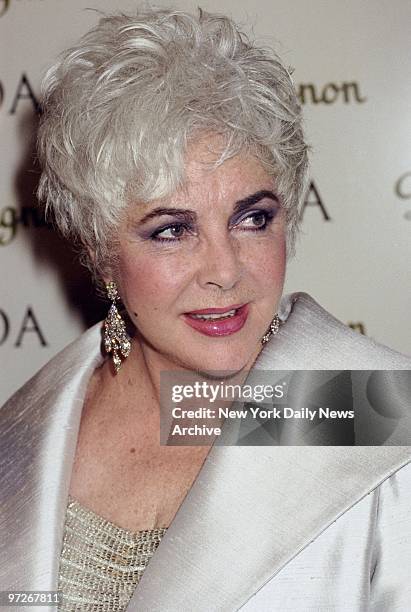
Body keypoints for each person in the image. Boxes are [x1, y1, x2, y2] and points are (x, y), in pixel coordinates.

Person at [0, 7, 410, 611]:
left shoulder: (370, 420)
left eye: (253, 218)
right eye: (171, 230)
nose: (224, 270)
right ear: (99, 251)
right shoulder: (27, 432)